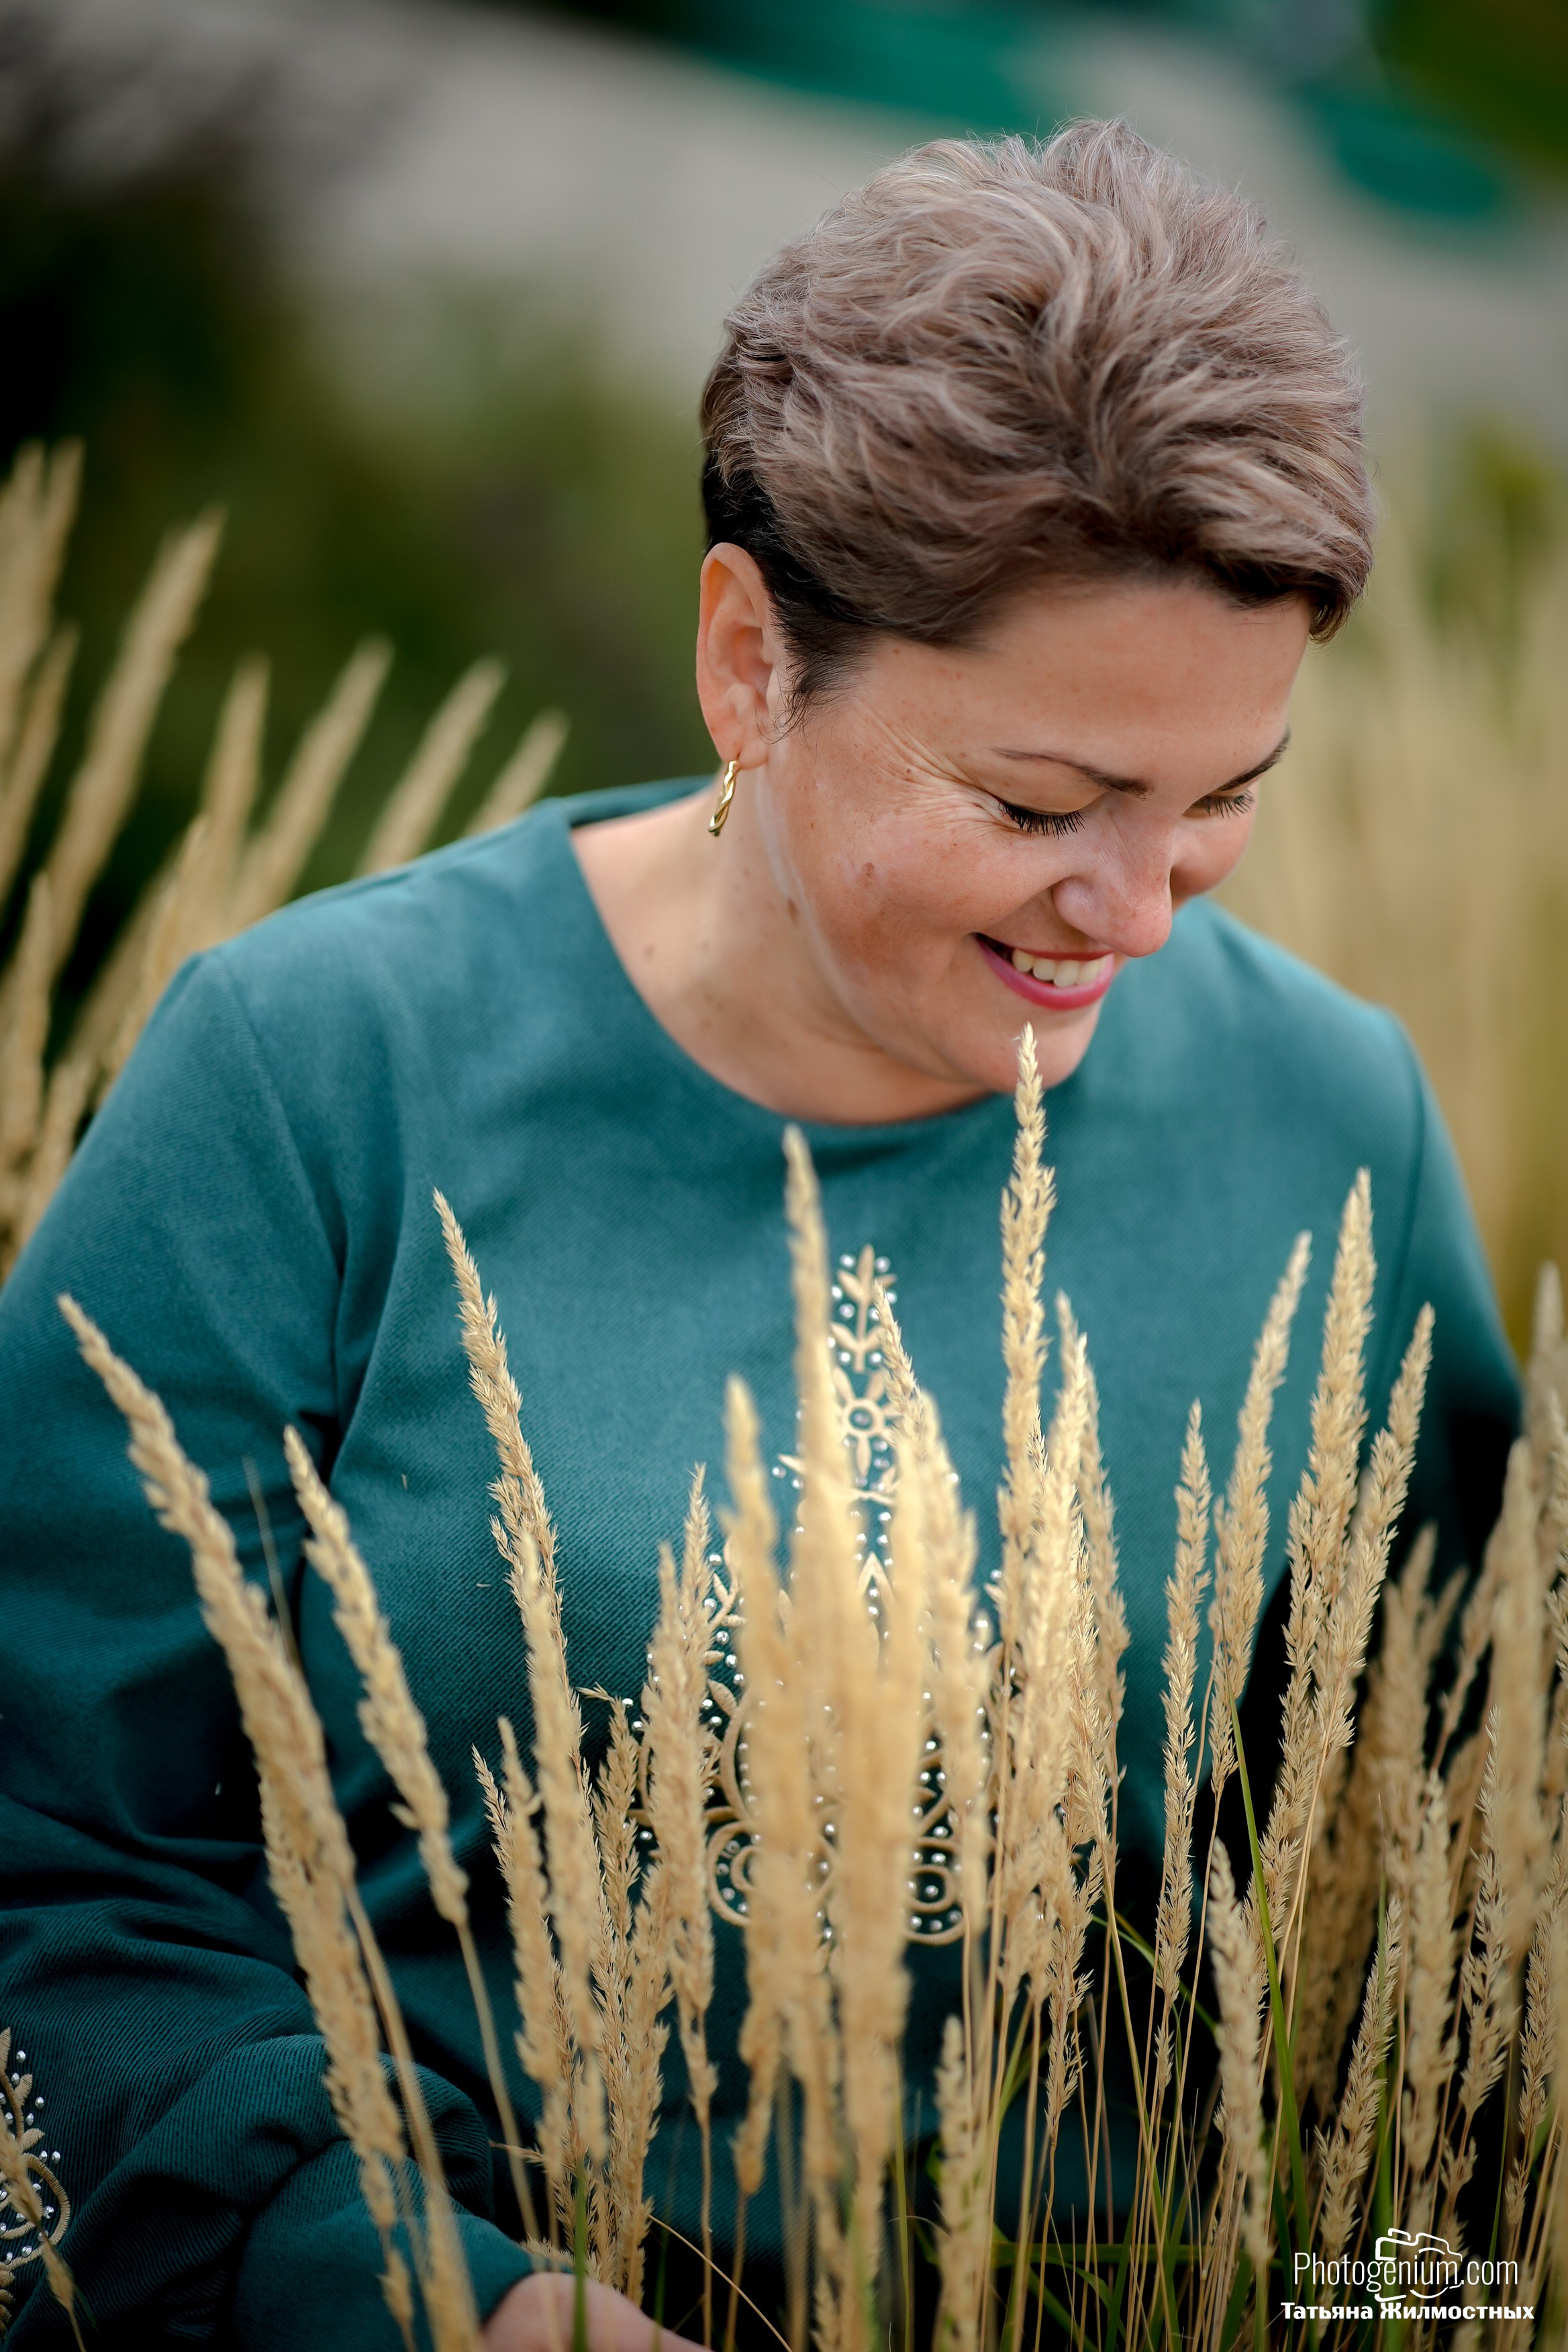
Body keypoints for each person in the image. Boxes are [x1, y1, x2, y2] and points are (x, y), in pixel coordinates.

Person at [0, 122, 1517, 2349]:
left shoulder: (1332, 1122)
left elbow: (1472, 1839)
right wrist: (433, 2302)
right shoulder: (318, 1076)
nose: (1134, 916)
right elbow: (60, 1860)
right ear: (748, 663)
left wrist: (1397, 2304)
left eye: (1225, 802)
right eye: (1037, 805)